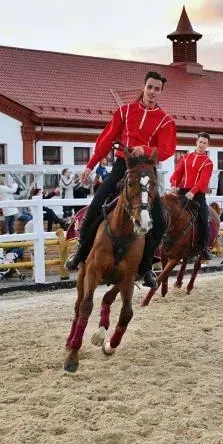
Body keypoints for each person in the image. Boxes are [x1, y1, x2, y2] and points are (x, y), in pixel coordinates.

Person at [64, 71, 176, 287]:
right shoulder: (125, 111)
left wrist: (145, 149)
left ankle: (146, 268)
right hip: (120, 167)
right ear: (144, 87)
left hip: (146, 171)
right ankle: (81, 252)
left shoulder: (165, 120)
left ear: (161, 92)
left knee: (161, 221)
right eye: (150, 87)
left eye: (157, 89)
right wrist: (90, 165)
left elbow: (166, 149)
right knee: (96, 205)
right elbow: (106, 140)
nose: (152, 92)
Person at [170, 132, 214, 257]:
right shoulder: (185, 157)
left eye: (204, 143)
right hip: (183, 191)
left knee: (203, 219)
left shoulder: (208, 162)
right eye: (200, 142)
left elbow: (203, 181)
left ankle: (203, 247)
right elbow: (178, 173)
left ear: (207, 145)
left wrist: (193, 192)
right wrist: (173, 184)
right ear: (196, 142)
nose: (201, 145)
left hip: (197, 195)